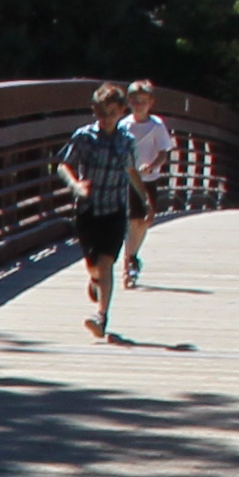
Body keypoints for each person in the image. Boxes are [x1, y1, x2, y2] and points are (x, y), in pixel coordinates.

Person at [60, 81, 133, 338]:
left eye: (112, 113)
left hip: (115, 209)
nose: (106, 118)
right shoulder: (84, 136)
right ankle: (95, 281)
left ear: (123, 111)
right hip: (88, 209)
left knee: (106, 263)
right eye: (101, 112)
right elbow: (63, 165)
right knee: (93, 266)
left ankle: (101, 317)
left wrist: (143, 199)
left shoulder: (127, 140)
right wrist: (75, 184)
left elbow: (131, 171)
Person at [122, 79, 176, 284]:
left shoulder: (156, 125)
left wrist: (153, 165)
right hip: (128, 179)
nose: (139, 105)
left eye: (143, 101)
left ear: (151, 102)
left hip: (149, 179)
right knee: (131, 220)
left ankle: (132, 256)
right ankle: (130, 263)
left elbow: (164, 152)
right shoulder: (123, 125)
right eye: (135, 101)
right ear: (129, 101)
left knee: (144, 221)